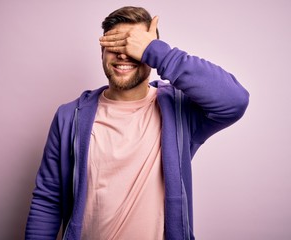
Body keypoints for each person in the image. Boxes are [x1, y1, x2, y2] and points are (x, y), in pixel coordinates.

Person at [25, 6, 249, 240]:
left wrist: (158, 53)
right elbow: (48, 199)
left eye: (134, 47)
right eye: (115, 45)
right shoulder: (70, 116)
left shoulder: (180, 111)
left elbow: (235, 100)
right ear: (101, 51)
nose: (123, 54)